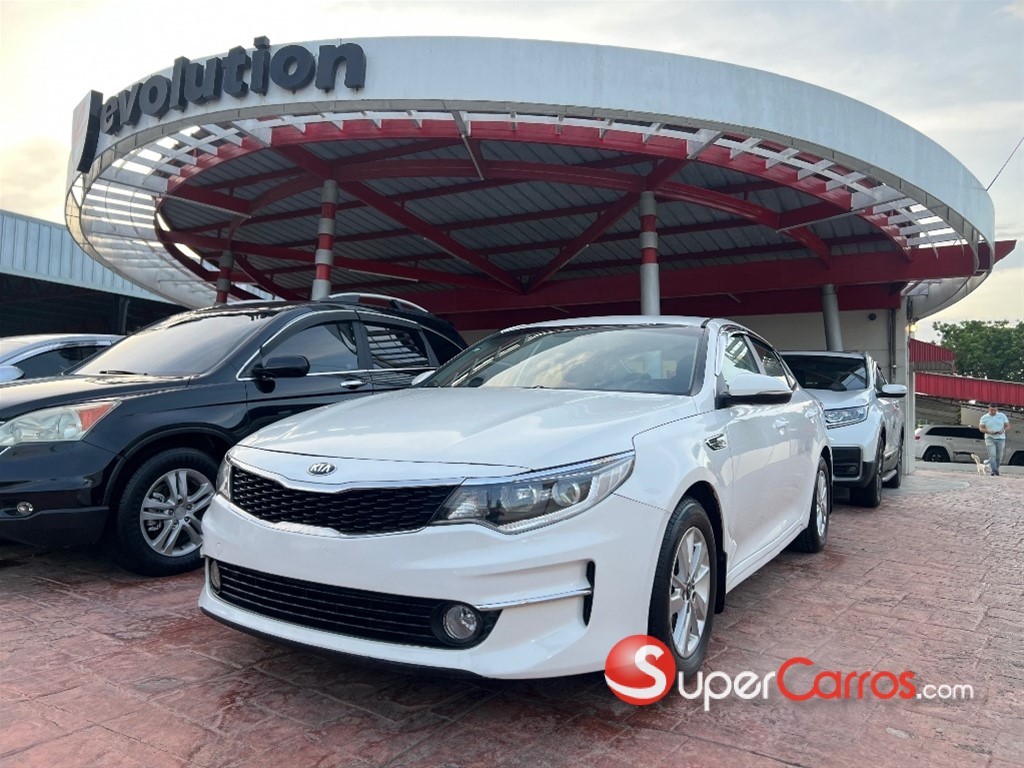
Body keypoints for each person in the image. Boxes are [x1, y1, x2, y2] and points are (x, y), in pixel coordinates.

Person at [978, 403, 1011, 476]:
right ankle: (994, 470)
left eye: (994, 410)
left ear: (997, 409)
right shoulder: (984, 417)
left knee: (999, 456)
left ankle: (994, 467)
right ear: (988, 409)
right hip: (990, 438)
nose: (993, 412)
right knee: (992, 454)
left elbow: (1008, 426)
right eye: (991, 410)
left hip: (1001, 438)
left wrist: (1003, 430)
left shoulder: (1002, 416)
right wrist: (989, 432)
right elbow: (981, 428)